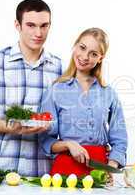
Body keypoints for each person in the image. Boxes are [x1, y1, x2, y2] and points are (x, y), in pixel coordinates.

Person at [0, 0, 62, 177]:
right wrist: (11, 127)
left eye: (44, 26)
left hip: (41, 174)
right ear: (17, 25)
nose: (38, 33)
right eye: (31, 25)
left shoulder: (59, 68)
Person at [39, 28, 127, 177]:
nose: (85, 57)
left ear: (100, 58)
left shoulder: (108, 93)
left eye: (93, 54)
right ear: (75, 46)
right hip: (66, 168)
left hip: (99, 170)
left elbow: (120, 138)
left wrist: (111, 166)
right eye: (82, 48)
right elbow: (46, 140)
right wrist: (68, 144)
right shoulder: (55, 91)